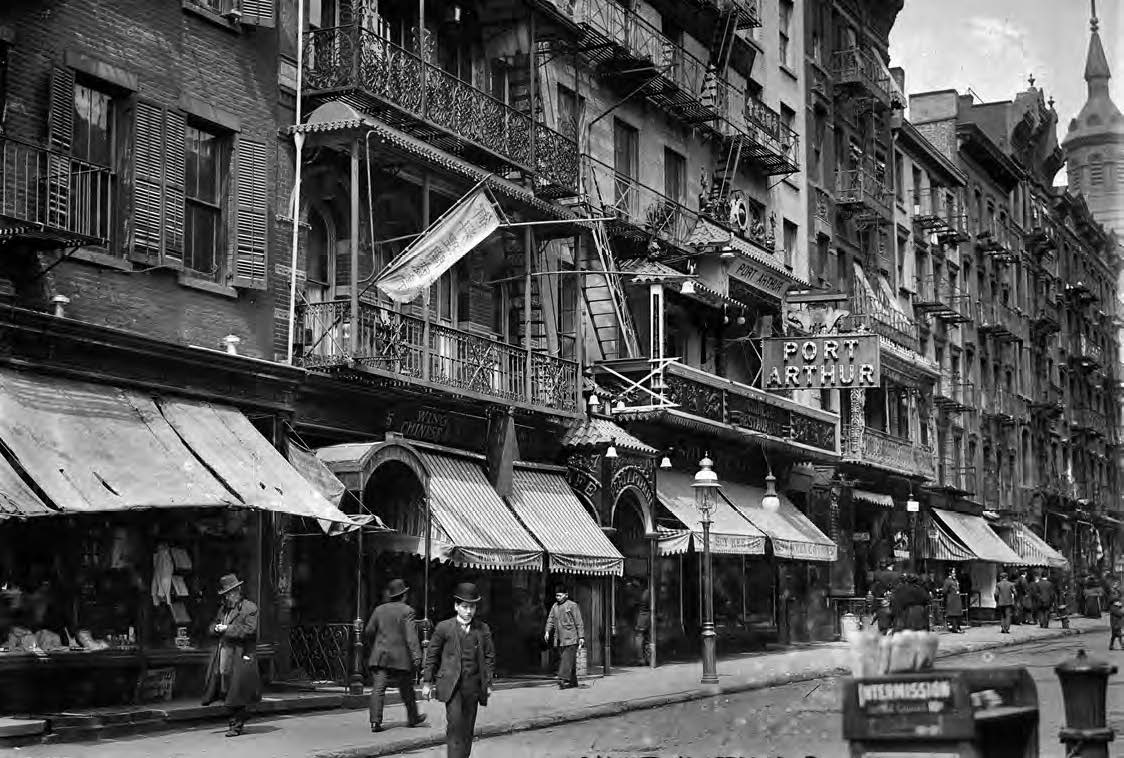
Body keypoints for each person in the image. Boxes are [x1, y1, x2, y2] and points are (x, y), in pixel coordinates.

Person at [422, 583, 495, 758]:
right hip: (451, 686)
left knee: (467, 729)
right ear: (456, 606)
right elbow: (432, 655)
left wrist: (489, 683)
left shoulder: (482, 629)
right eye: (465, 607)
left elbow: (489, 657)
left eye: (472, 607)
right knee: (455, 725)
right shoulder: (444, 628)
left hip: (473, 685)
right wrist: (426, 682)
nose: (469, 611)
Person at [201, 574, 261, 738]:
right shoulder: (224, 609)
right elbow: (212, 626)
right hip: (224, 654)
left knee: (237, 690)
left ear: (238, 591)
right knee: (226, 688)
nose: (230, 596)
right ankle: (239, 717)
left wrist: (227, 629)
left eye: (232, 592)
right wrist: (216, 629)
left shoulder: (249, 608)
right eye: (227, 594)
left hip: (241, 653)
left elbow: (250, 630)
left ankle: (236, 725)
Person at [365, 578, 426, 733]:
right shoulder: (407, 611)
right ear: (404, 595)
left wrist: (377, 645)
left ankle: (375, 721)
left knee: (378, 689)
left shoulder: (379, 610)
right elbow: (411, 636)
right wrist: (417, 657)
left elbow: (368, 631)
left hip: (381, 655)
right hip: (400, 657)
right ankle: (413, 718)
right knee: (407, 689)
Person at [544, 586, 584, 689]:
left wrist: (581, 637)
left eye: (560, 595)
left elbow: (579, 622)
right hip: (559, 639)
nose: (558, 597)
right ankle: (573, 682)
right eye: (556, 595)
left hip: (571, 638)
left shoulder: (572, 605)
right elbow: (550, 619)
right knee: (569, 660)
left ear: (566, 595)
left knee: (566, 659)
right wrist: (547, 631)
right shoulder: (555, 606)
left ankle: (562, 678)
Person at [633, 582, 652, 667]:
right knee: (647, 638)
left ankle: (641, 659)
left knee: (639, 637)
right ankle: (648, 658)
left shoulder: (643, 593)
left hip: (642, 617)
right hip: (647, 617)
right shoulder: (647, 592)